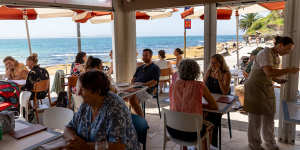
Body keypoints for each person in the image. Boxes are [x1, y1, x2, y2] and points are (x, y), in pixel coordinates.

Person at [244, 36, 299, 150]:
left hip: (266, 87)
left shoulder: (276, 57)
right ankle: (254, 144)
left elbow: (269, 74)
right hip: (255, 88)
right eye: (288, 49)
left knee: (269, 116)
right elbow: (269, 72)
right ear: (279, 45)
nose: (288, 52)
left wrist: (278, 80)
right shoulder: (265, 53)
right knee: (255, 119)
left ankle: (270, 143)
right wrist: (289, 70)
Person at [64, 71, 140, 150]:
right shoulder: (86, 104)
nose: (78, 93)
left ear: (97, 91)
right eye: (78, 89)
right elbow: (68, 129)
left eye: (82, 89)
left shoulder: (115, 108)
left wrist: (86, 146)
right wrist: (75, 141)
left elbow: (119, 146)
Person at [170, 59, 218, 150]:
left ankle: (184, 147)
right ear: (196, 71)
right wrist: (199, 105)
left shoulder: (174, 85)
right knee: (210, 125)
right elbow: (214, 106)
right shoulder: (200, 86)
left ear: (180, 71)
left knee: (184, 119)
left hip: (173, 130)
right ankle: (204, 147)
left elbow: (175, 102)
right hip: (192, 134)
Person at [203, 54, 231, 148]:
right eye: (211, 63)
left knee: (213, 118)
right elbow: (203, 86)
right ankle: (203, 141)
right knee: (199, 114)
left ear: (221, 63)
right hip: (210, 99)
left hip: (220, 101)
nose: (212, 65)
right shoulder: (209, 71)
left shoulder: (226, 73)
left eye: (215, 63)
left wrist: (219, 78)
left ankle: (213, 145)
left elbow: (225, 92)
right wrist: (206, 76)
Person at [129, 49, 160, 117]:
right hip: (136, 88)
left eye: (146, 55)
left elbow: (154, 82)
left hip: (148, 90)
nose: (144, 57)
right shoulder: (139, 68)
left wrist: (142, 84)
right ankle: (130, 117)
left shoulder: (155, 68)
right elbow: (133, 79)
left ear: (151, 56)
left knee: (132, 98)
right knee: (120, 96)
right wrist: (132, 85)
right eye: (143, 55)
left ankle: (142, 120)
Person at [19, 53, 50, 121]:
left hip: (37, 95)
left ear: (31, 63)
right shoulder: (44, 70)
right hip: (45, 92)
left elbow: (28, 87)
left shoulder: (32, 72)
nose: (26, 65)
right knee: (27, 91)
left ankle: (27, 111)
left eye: (27, 63)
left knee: (22, 92)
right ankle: (31, 108)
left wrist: (20, 87)